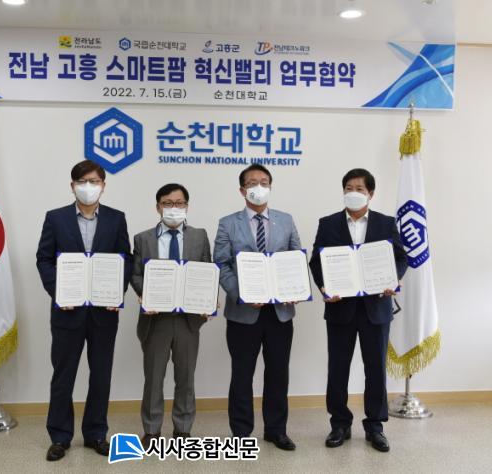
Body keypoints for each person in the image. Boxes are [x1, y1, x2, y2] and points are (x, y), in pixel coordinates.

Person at [36, 160, 132, 461]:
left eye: (94, 181)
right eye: (82, 181)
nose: (88, 187)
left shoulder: (116, 219)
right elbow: (44, 259)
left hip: (104, 312)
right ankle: (59, 436)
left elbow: (125, 259)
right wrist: (58, 292)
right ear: (72, 185)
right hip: (67, 312)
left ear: (103, 185)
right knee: (63, 376)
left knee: (101, 375)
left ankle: (96, 433)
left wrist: (116, 292)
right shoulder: (56, 218)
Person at [309, 168, 407, 453]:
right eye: (348, 188)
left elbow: (400, 258)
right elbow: (317, 261)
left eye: (360, 189)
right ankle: (339, 423)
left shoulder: (386, 223)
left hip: (376, 308)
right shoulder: (328, 223)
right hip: (340, 308)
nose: (353, 193)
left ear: (370, 194)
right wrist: (324, 287)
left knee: (375, 369)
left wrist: (393, 279)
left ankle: (375, 426)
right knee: (337, 369)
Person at [213, 164, 301, 451]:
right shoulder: (228, 223)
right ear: (242, 190)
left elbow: (296, 259)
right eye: (252, 183)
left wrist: (294, 288)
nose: (258, 187)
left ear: (270, 187)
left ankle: (276, 430)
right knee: (242, 374)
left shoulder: (286, 220)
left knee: (278, 373)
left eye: (264, 182)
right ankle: (241, 432)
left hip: (280, 313)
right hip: (243, 312)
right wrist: (240, 294)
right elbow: (221, 263)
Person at [130, 183, 212, 447]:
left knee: (186, 377)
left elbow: (207, 271)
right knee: (154, 378)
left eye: (179, 203)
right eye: (167, 203)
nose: (173, 208)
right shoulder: (143, 238)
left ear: (187, 206)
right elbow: (135, 274)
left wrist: (208, 300)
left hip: (188, 319)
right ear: (158, 207)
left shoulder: (199, 236)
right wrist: (146, 293)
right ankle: (152, 430)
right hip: (156, 319)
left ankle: (183, 429)